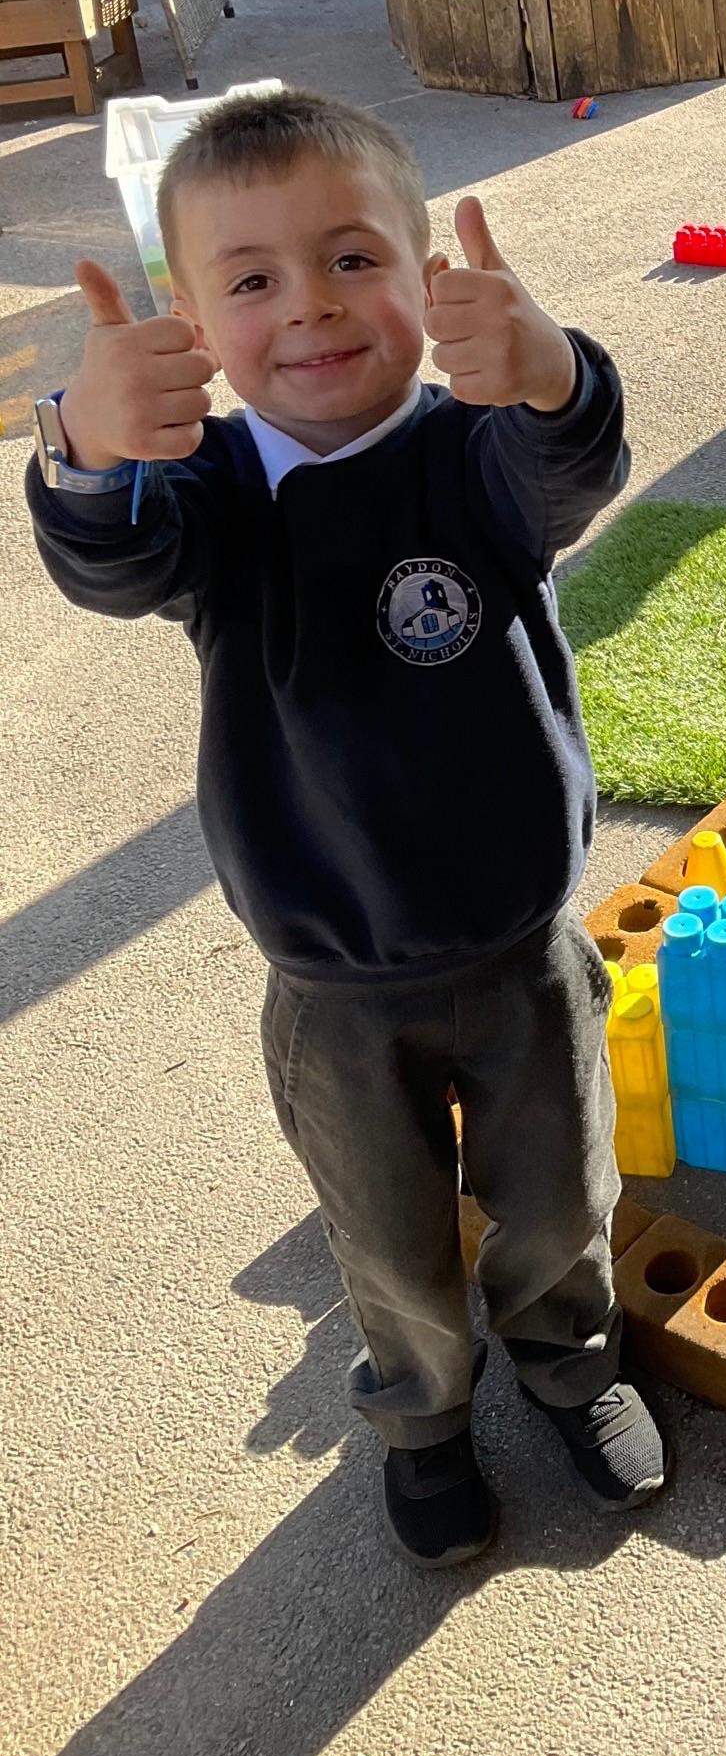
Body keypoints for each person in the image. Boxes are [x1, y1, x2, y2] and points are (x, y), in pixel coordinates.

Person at [25, 90, 665, 1566]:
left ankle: (573, 1368)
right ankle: (426, 1417)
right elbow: (113, 567)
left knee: (559, 1206)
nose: (307, 308)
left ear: (426, 268)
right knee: (389, 1252)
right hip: (329, 988)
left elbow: (571, 466)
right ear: (192, 320)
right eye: (249, 281)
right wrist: (86, 449)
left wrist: (553, 368)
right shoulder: (212, 492)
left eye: (350, 259)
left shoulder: (472, 452)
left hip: (520, 951)